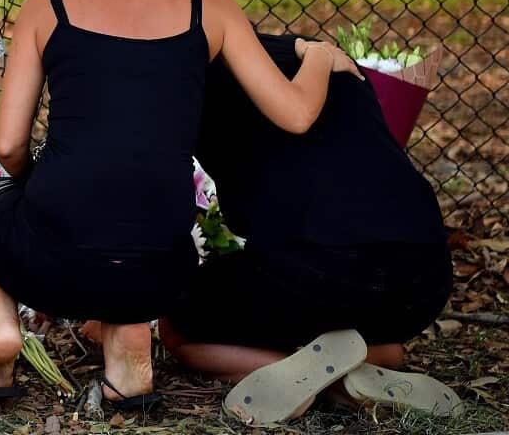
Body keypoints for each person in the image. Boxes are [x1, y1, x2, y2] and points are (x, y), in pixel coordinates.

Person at [0, 0, 362, 409]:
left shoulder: (45, 6)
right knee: (129, 232)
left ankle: (2, 328)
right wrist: (318, 57)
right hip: (162, 267)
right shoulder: (208, 5)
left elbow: (7, 146)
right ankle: (127, 364)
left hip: (53, 258)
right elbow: (295, 115)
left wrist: (29, 190)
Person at [158, 32, 457, 423]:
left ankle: (303, 375)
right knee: (373, 329)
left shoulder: (188, 93)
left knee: (178, 323)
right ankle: (370, 364)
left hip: (325, 270)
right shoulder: (323, 57)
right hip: (424, 279)